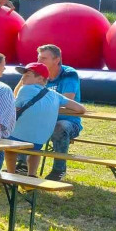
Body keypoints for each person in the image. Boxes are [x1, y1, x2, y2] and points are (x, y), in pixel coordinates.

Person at [3, 62, 85, 176]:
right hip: (39, 141)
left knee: (9, 148)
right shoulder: (55, 95)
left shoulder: (25, 90)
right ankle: (32, 174)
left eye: (27, 76)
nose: (22, 78)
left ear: (40, 79)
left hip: (18, 138)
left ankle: (11, 174)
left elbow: (13, 109)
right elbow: (80, 108)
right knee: (35, 152)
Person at [36, 44, 83, 181]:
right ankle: (21, 165)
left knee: (60, 126)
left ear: (57, 60)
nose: (39, 62)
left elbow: (67, 99)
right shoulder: (38, 74)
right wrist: (24, 78)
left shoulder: (69, 74)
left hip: (69, 122)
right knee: (22, 120)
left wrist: (39, 106)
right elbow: (21, 97)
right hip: (45, 120)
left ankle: (59, 170)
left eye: (44, 59)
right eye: (39, 58)